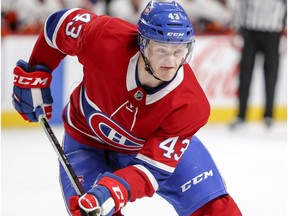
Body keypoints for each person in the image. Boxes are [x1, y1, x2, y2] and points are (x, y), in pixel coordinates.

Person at [12, 1, 242, 215]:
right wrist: (37, 70)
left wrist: (115, 189)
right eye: (161, 49)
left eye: (178, 50)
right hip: (86, 143)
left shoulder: (190, 105)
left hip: (148, 146)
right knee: (90, 211)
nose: (171, 62)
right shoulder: (104, 38)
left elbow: (152, 171)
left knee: (216, 208)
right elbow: (59, 25)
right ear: (143, 43)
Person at [230, 0, 287, 129]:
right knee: (245, 75)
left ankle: (268, 115)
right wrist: (234, 29)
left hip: (273, 33)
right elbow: (241, 6)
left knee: (271, 75)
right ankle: (241, 115)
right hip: (250, 32)